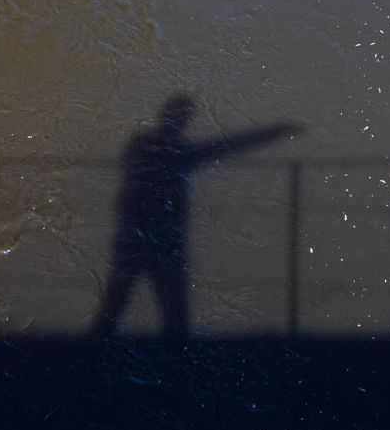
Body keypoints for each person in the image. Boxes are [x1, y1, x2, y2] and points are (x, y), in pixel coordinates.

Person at [94, 97, 294, 335]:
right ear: (184, 121)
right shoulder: (180, 154)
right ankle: (172, 361)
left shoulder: (141, 145)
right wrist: (272, 134)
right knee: (173, 310)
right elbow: (224, 147)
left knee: (117, 302)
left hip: (131, 235)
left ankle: (90, 356)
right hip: (167, 239)